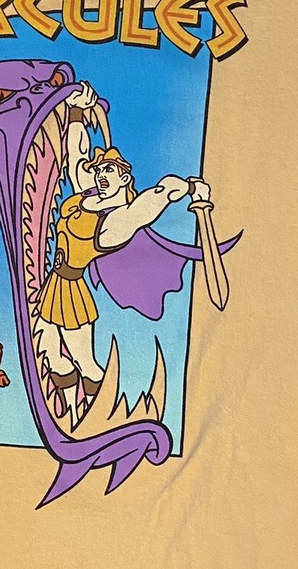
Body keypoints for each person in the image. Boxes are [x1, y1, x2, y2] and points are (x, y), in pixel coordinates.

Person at [38, 80, 211, 428]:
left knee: (84, 362)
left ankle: (94, 418)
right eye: (100, 170)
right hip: (52, 287)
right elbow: (77, 157)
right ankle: (70, 415)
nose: (101, 175)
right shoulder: (86, 194)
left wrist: (190, 187)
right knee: (52, 353)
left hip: (72, 293)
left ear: (124, 178)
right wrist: (76, 112)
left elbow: (158, 195)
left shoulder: (118, 221)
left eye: (110, 171)